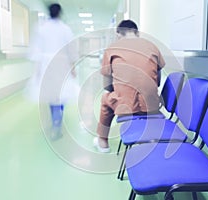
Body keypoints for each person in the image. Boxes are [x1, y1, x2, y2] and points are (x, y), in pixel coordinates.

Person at [94, 20, 165, 153]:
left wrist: (121, 90)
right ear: (137, 33)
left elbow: (107, 86)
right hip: (151, 107)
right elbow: (158, 82)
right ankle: (148, 137)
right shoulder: (152, 47)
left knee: (105, 99)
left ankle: (103, 141)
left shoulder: (112, 49)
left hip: (125, 107)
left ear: (118, 34)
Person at [26, 3, 78, 140]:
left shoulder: (41, 28)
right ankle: (57, 122)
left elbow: (36, 51)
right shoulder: (65, 29)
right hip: (61, 64)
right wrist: (73, 69)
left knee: (50, 94)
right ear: (60, 13)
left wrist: (37, 71)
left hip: (46, 65)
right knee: (61, 94)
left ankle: (55, 120)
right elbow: (71, 50)